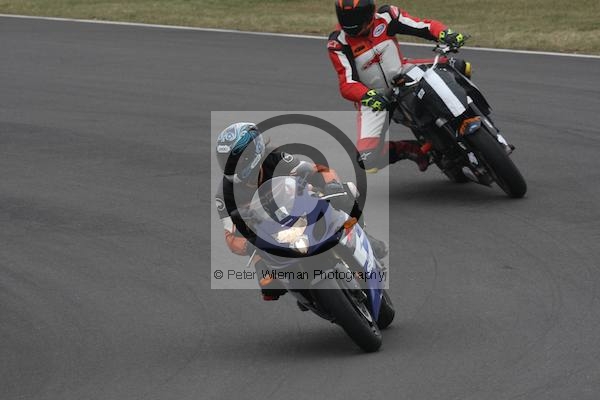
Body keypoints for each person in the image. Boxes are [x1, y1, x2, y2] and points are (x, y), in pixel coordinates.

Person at [215, 122, 387, 301]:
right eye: (226, 162)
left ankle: (365, 237)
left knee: (343, 194)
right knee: (268, 285)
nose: (231, 166)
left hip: (298, 208)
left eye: (236, 160)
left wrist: (332, 185)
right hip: (267, 232)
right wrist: (249, 245)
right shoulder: (224, 194)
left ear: (253, 152)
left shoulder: (274, 158)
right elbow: (230, 237)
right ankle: (305, 295)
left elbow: (317, 170)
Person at [328, 1, 468, 172]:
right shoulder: (338, 42)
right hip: (374, 96)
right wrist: (367, 95)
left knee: (459, 67)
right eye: (346, 17)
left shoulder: (387, 17)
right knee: (367, 160)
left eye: (356, 17)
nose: (351, 23)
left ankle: (472, 115)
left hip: (403, 72)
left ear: (369, 12)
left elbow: (423, 26)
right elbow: (347, 83)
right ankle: (410, 149)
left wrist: (445, 33)